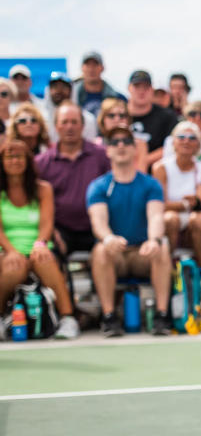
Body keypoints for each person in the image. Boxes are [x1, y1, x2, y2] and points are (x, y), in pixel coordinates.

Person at [88, 126, 171, 337]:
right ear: (107, 150)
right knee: (99, 251)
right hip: (116, 253)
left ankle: (162, 316)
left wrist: (153, 239)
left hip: (142, 253)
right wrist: (108, 238)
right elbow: (98, 221)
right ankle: (109, 317)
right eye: (114, 142)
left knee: (162, 248)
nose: (121, 146)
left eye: (126, 141)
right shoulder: (99, 186)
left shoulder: (150, 184)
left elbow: (156, 215)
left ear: (135, 149)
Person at [0, 140, 79, 339]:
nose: (15, 161)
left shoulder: (43, 189)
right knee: (13, 268)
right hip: (8, 251)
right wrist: (10, 251)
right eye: (9, 157)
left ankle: (67, 318)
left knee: (44, 260)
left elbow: (46, 225)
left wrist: (40, 243)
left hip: (38, 248)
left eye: (20, 156)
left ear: (28, 161)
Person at [38, 104, 112, 259]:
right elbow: (36, 202)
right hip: (61, 231)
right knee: (48, 256)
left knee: (107, 255)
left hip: (98, 228)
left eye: (74, 122)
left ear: (83, 126)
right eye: (64, 122)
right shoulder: (42, 162)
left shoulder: (102, 156)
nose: (69, 127)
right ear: (56, 127)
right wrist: (50, 230)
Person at [151, 122, 201, 266]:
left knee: (200, 218)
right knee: (170, 218)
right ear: (174, 142)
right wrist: (186, 204)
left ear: (198, 144)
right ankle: (167, 268)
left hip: (192, 224)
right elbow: (161, 205)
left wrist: (192, 203)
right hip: (170, 220)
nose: (186, 141)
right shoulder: (161, 167)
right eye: (181, 136)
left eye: (192, 137)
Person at [125, 70, 179, 168]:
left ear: (152, 90)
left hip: (156, 172)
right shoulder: (118, 114)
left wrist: (144, 160)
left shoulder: (167, 116)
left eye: (146, 87)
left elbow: (174, 144)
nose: (141, 91)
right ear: (129, 88)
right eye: (137, 86)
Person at [36, 72, 98, 142]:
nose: (59, 90)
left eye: (64, 87)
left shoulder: (88, 119)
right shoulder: (39, 119)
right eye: (54, 86)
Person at [96, 98, 149, 172]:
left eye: (122, 115)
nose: (117, 119)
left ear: (128, 119)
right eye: (111, 115)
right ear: (103, 119)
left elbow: (141, 177)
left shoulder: (139, 144)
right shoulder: (95, 145)